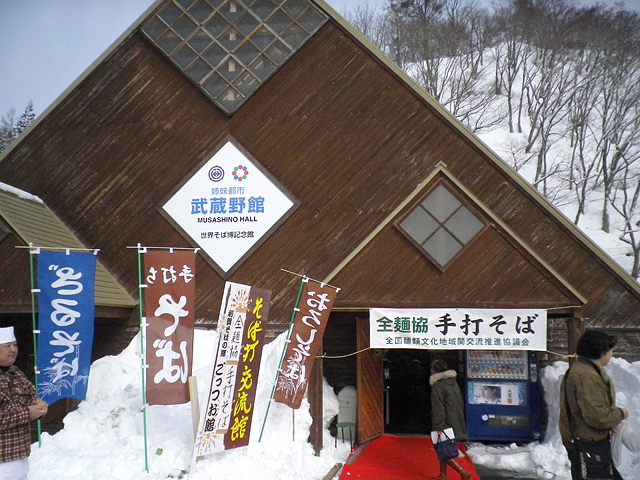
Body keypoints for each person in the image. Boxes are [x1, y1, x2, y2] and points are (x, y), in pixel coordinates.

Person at [559, 330, 629, 480]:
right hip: (588, 442)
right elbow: (597, 416)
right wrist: (620, 414)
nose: (612, 354)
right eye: (610, 350)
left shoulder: (581, 369)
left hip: (584, 441)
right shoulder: (587, 376)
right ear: (601, 352)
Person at [0, 326, 48, 480]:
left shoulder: (17, 373)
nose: (13, 350)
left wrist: (39, 407)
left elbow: (32, 398)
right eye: (7, 346)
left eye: (15, 345)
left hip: (20, 457)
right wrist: (28, 413)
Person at [430, 359, 471, 480]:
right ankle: (442, 474)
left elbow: (438, 408)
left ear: (434, 370)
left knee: (442, 449)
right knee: (443, 447)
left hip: (445, 422)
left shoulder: (438, 386)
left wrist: (438, 426)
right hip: (454, 419)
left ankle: (463, 472)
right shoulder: (453, 383)